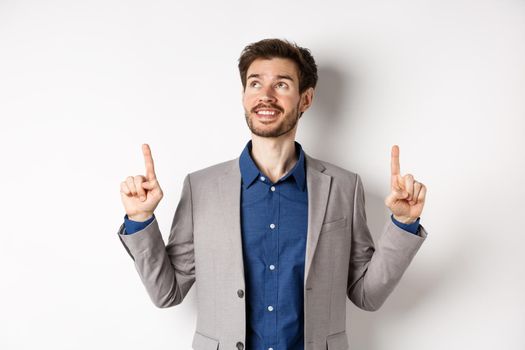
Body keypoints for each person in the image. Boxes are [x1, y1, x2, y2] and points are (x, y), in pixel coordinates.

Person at [117, 38, 428, 350]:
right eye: (255, 83)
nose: (265, 96)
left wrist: (403, 224)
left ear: (305, 99)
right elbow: (166, 293)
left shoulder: (343, 187)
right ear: (243, 96)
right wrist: (140, 219)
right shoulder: (201, 188)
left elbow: (367, 295)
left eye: (281, 84)